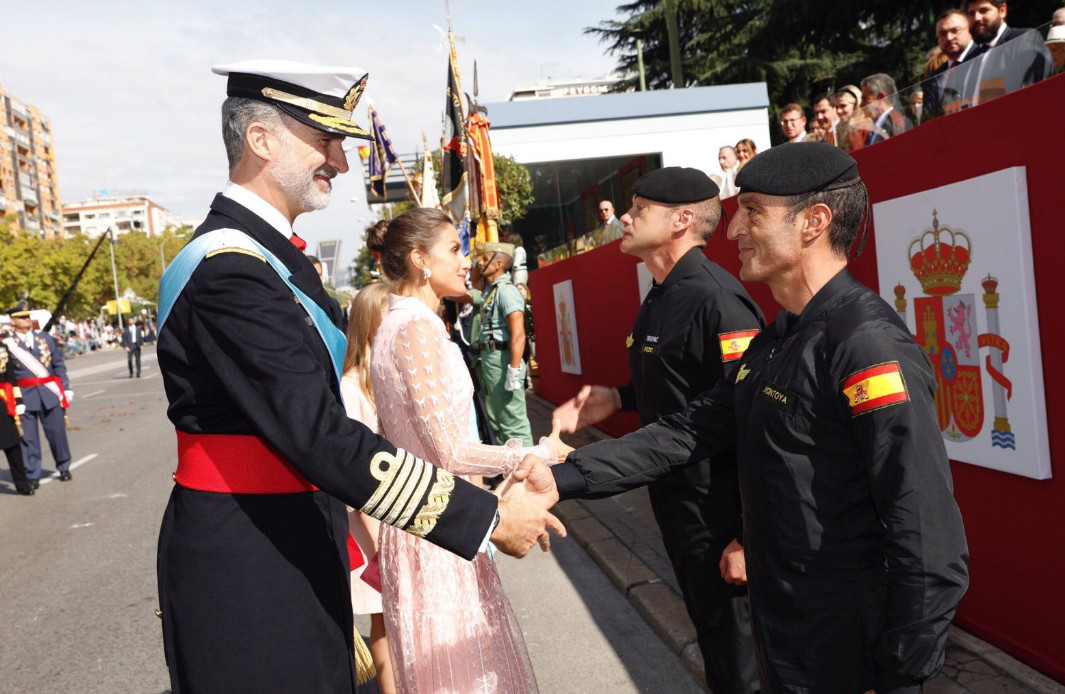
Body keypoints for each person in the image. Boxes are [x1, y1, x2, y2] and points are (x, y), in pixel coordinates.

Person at [154, 60, 561, 694]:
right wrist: (482, 518)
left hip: (289, 529)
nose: (340, 162)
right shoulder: (230, 270)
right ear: (261, 140)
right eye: (325, 140)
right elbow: (319, 435)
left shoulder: (269, 259)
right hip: (250, 558)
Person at [527, 142, 971, 693]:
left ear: (815, 222)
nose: (733, 230)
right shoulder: (778, 340)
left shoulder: (866, 348)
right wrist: (562, 476)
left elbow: (928, 537)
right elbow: (688, 430)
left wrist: (900, 672)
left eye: (753, 211)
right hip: (782, 628)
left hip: (844, 650)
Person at [553, 167, 764, 694]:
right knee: (717, 649)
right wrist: (618, 398)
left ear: (682, 220)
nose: (625, 217)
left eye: (639, 209)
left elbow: (752, 418)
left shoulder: (718, 299)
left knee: (743, 662)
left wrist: (747, 534)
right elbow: (684, 383)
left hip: (720, 513)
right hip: (677, 503)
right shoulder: (661, 293)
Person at [368, 208, 562, 694]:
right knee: (462, 673)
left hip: (434, 516)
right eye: (453, 249)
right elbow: (448, 450)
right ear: (419, 260)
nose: (466, 258)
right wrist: (534, 454)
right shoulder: (414, 328)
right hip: (436, 524)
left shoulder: (406, 321)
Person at [339, 281, 395, 694]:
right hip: (372, 522)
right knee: (384, 617)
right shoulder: (351, 387)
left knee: (402, 616)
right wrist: (377, 543)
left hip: (405, 513)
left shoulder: (389, 377)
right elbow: (354, 475)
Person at [3, 302, 73, 485]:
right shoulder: (7, 344)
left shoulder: (46, 339)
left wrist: (65, 388)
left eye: (28, 316)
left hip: (49, 393)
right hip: (24, 395)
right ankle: (32, 474)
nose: (27, 319)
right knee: (28, 439)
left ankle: (64, 466)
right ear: (13, 321)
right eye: (22, 317)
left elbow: (58, 364)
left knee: (57, 433)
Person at [474, 242, 534, 446]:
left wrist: (514, 370)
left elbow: (518, 334)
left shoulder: (506, 291)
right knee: (499, 420)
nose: (480, 262)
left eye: (484, 258)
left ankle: (530, 471)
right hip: (493, 361)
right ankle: (512, 470)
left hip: (504, 361)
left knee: (513, 422)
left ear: (498, 263)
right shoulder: (492, 289)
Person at [923, 9, 976, 120]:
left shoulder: (985, 57)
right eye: (942, 34)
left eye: (955, 30)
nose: (949, 38)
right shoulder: (933, 79)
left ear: (970, 29)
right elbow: (928, 121)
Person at [1, 337, 34, 495]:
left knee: (13, 446)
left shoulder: (1, 347)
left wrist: (18, 400)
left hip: (2, 402)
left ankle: (22, 483)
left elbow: (11, 376)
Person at [860, 73, 913, 145]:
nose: (861, 105)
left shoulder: (897, 123)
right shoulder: (877, 128)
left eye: (865, 99)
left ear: (881, 97)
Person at [833, 85, 873, 153]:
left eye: (843, 106)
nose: (838, 111)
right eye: (836, 107)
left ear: (856, 105)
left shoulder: (863, 126)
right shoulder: (839, 127)